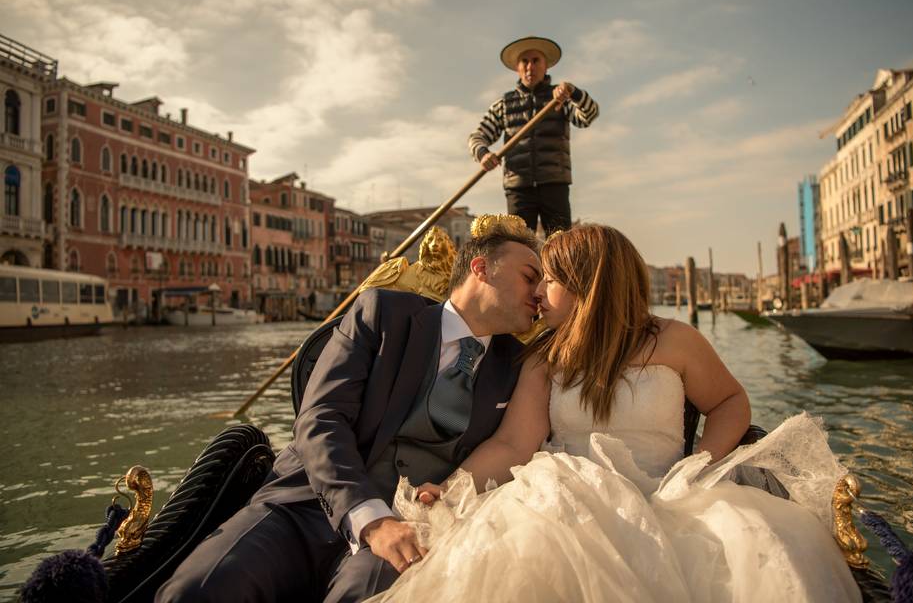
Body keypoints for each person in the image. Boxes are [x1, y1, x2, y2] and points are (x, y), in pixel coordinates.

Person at [368, 225, 862, 602]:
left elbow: (730, 403)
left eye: (551, 279)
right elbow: (514, 445)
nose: (537, 292)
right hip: (564, 499)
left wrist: (699, 466)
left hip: (671, 496)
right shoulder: (544, 356)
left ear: (587, 283)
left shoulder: (676, 340)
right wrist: (453, 485)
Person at [155, 228, 543, 603]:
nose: (538, 292)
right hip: (304, 505)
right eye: (530, 277)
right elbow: (320, 418)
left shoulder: (518, 367)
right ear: (480, 268)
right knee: (196, 590)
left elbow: (510, 447)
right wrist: (371, 519)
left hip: (409, 526)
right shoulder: (383, 313)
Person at [468, 36, 598, 235]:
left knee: (560, 242)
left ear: (546, 66)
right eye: (525, 61)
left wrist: (573, 92)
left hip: (554, 182)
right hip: (518, 187)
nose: (530, 67)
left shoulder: (561, 98)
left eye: (536, 61)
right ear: (517, 68)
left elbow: (588, 116)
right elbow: (477, 136)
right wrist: (483, 154)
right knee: (518, 243)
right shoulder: (504, 104)